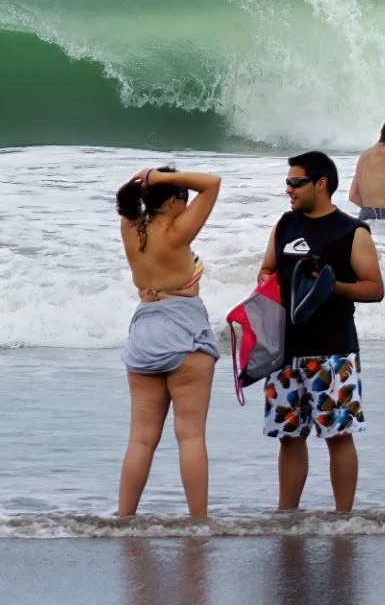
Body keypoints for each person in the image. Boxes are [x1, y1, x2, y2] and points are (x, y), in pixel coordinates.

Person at [256, 151, 385, 513]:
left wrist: (330, 284)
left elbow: (374, 288)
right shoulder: (285, 225)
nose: (288, 189)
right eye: (287, 182)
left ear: (321, 184)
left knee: (338, 435)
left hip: (332, 351)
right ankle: (287, 516)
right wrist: (268, 283)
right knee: (289, 436)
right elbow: (266, 269)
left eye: (295, 182)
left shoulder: (351, 231)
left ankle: (343, 518)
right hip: (285, 349)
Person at [115, 165, 224, 519]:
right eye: (184, 198)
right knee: (190, 436)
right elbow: (213, 183)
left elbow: (127, 201)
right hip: (183, 331)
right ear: (175, 200)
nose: (188, 202)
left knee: (141, 439)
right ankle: (198, 522)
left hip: (145, 331)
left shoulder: (132, 228)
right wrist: (159, 178)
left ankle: (124, 518)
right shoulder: (176, 232)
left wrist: (146, 183)